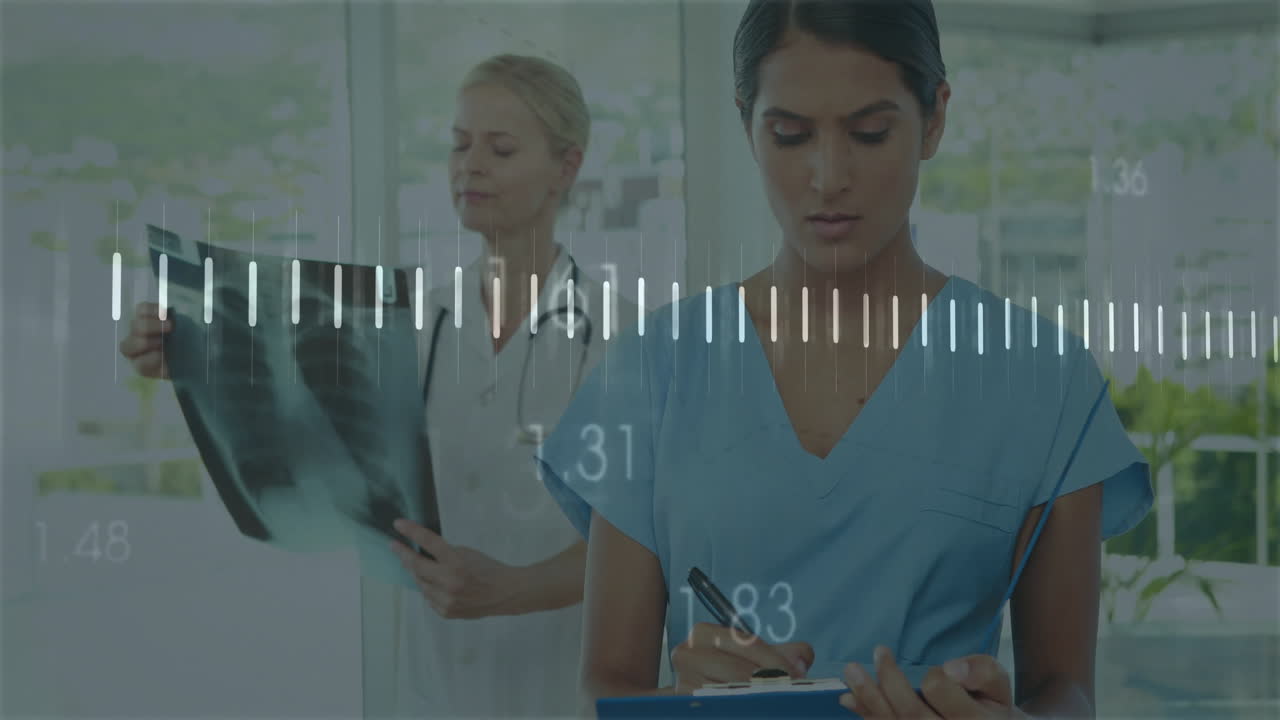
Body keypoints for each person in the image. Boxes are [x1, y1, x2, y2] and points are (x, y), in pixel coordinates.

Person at [534, 2, 1152, 719]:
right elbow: (601, 690)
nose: (828, 177)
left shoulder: (1043, 380)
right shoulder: (649, 373)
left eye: (869, 133)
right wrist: (685, 702)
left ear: (934, 118)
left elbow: (1065, 692)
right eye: (790, 136)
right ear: (746, 125)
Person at [120, 53, 637, 718]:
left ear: (566, 168)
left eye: (500, 149)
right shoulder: (406, 326)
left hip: (566, 690)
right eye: (458, 144)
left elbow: (641, 540)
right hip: (436, 687)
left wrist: (513, 589)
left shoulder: (624, 338)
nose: (469, 165)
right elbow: (311, 448)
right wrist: (190, 358)